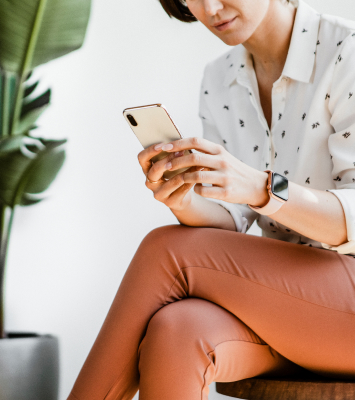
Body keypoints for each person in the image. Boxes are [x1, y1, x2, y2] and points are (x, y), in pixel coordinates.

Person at [67, 0, 355, 399]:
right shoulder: (220, 78)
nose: (211, 8)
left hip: (348, 300)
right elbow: (232, 219)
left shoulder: (347, 50)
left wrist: (261, 186)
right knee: (177, 328)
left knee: (164, 248)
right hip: (288, 310)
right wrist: (182, 200)